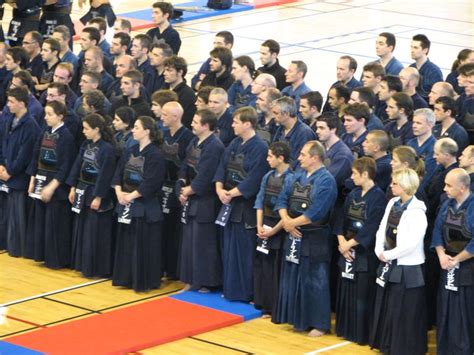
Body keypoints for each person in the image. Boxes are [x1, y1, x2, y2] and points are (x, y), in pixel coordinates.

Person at [273, 140, 337, 337]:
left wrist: (293, 224)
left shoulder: (326, 180)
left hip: (315, 237)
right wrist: (286, 220)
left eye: (303, 154)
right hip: (294, 234)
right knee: (294, 278)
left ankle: (319, 323)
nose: (299, 157)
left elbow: (317, 211)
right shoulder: (297, 176)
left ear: (315, 158)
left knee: (316, 280)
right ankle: (298, 319)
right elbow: (282, 199)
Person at [213, 106, 269, 302]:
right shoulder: (235, 142)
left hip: (245, 207)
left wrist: (232, 193)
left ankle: (246, 292)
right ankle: (231, 289)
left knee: (244, 252)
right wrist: (220, 189)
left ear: (247, 124)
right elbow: (222, 167)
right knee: (228, 249)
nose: (232, 125)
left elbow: (254, 179)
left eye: (236, 122)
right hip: (228, 203)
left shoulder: (260, 148)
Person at [370, 168, 428, 354]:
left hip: (406, 268)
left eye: (395, 183)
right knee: (388, 307)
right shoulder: (393, 202)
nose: (391, 186)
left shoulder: (417, 212)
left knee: (403, 309)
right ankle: (387, 344)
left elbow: (411, 244)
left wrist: (388, 255)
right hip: (388, 262)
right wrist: (379, 249)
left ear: (405, 186)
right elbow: (382, 227)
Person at [335, 157, 387, 344]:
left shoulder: (379, 198)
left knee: (362, 293)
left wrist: (350, 244)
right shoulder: (353, 194)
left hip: (363, 253)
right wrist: (341, 241)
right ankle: (345, 329)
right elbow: (341, 218)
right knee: (346, 290)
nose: (351, 177)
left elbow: (372, 227)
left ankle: (360, 333)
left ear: (365, 174)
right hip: (346, 250)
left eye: (354, 173)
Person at [112, 115, 166, 292]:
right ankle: (125, 278)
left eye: (136, 127)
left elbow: (152, 182)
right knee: (126, 243)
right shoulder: (130, 149)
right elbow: (119, 172)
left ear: (147, 131)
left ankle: (143, 280)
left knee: (143, 244)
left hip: (145, 206)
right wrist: (119, 191)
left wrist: (131, 196)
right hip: (126, 202)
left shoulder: (156, 155)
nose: (133, 130)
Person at [177, 109, 225, 292]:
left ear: (206, 126)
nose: (192, 124)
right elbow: (185, 165)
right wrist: (181, 185)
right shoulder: (194, 141)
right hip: (191, 199)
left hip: (206, 201)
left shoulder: (214, 146)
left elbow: (206, 175)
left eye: (196, 122)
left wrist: (189, 190)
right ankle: (191, 279)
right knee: (190, 242)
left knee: (204, 243)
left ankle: (207, 281)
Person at [25, 100, 76, 268]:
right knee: (41, 222)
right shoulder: (45, 132)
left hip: (56, 186)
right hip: (41, 179)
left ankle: (56, 260)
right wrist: (32, 179)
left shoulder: (66, 136)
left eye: (49, 114)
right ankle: (42, 255)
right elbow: (36, 155)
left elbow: (65, 166)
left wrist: (52, 187)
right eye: (45, 114)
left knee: (54, 224)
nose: (46, 117)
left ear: (60, 116)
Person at [67, 113, 116, 278]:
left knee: (94, 231)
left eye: (86, 128)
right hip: (83, 189)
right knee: (82, 228)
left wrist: (99, 197)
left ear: (97, 129)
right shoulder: (85, 145)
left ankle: (96, 268)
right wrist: (73, 186)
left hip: (96, 193)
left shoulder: (107, 149)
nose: (83, 131)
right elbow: (77, 166)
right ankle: (81, 264)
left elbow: (105, 175)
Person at [431, 168, 474, 355]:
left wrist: (457, 259)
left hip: (467, 267)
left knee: (465, 310)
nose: (444, 188)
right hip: (447, 263)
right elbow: (437, 231)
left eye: (449, 185)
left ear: (462, 187)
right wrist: (441, 254)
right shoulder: (446, 204)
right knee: (446, 308)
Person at [254, 141, 293, 316]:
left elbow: (287, 209)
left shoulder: (291, 178)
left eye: (270, 156)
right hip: (265, 225)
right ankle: (260, 300)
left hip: (280, 228)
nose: (267, 159)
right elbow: (260, 201)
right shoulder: (267, 175)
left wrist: (274, 230)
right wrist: (259, 225)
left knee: (274, 268)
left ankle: (273, 305)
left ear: (281, 158)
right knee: (262, 265)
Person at [0, 87, 40, 257]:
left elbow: (25, 154)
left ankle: (18, 247)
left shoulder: (30, 125)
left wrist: (11, 171)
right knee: (6, 213)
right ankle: (6, 243)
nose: (8, 105)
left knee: (17, 215)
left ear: (22, 104)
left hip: (19, 177)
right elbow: (4, 143)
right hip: (6, 171)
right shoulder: (9, 120)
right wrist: (1, 164)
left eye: (11, 102)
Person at [160, 101, 194, 280]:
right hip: (162, 186)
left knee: (174, 230)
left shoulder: (187, 136)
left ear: (175, 116)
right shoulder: (163, 134)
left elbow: (187, 166)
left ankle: (174, 269)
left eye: (165, 114)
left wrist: (181, 186)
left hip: (176, 188)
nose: (161, 117)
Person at [272, 96, 316, 168]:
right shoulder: (280, 129)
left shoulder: (304, 133)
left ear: (286, 114)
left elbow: (301, 164)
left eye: (276, 113)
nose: (273, 116)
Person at [163, 55, 196, 128]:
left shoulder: (188, 95)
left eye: (169, 70)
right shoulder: (163, 88)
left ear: (180, 72)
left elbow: (185, 121)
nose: (164, 73)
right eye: (165, 70)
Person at [409, 34, 443, 101]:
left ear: (425, 50)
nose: (412, 50)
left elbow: (438, 97)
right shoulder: (410, 68)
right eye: (411, 47)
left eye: (415, 48)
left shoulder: (434, 72)